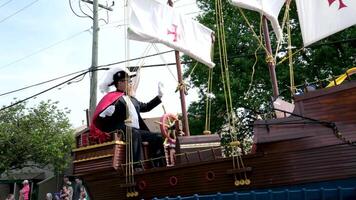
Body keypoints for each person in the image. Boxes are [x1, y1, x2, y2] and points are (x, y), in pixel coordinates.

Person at [90, 66, 165, 167]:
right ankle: (136, 166)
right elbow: (101, 120)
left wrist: (159, 97)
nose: (130, 83)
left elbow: (146, 107)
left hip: (136, 131)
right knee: (133, 133)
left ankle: (158, 164)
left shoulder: (133, 99)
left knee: (158, 137)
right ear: (120, 83)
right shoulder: (112, 98)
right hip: (121, 132)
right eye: (128, 81)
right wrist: (105, 115)